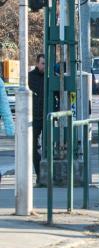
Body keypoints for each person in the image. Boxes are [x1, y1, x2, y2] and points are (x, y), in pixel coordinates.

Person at [28, 54, 46, 184]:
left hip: (48, 117)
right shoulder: (30, 77)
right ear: (37, 63)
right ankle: (39, 175)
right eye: (43, 63)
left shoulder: (51, 77)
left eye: (46, 64)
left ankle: (47, 175)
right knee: (34, 147)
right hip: (34, 117)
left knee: (51, 146)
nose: (45, 66)